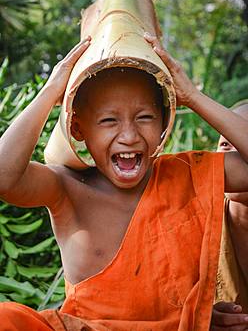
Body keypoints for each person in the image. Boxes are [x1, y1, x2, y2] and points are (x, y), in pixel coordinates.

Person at [0, 33, 248, 331]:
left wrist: (193, 97)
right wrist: (52, 91)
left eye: (144, 117)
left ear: (163, 122)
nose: (129, 136)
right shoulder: (68, 188)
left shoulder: (185, 174)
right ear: (78, 129)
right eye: (109, 121)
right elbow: (4, 177)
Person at [211, 101, 248, 331]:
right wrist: (202, 317)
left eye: (243, 144)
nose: (230, 158)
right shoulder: (195, 222)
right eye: (225, 144)